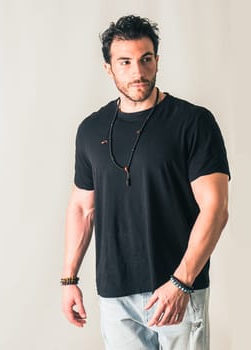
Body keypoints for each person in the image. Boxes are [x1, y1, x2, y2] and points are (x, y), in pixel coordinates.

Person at [61, 15, 230, 350]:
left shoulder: (192, 122)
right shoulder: (91, 129)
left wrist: (181, 282)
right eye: (124, 62)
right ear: (108, 68)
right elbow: (82, 207)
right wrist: (69, 279)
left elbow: (216, 208)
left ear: (156, 60)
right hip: (115, 292)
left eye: (145, 59)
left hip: (179, 288)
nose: (137, 72)